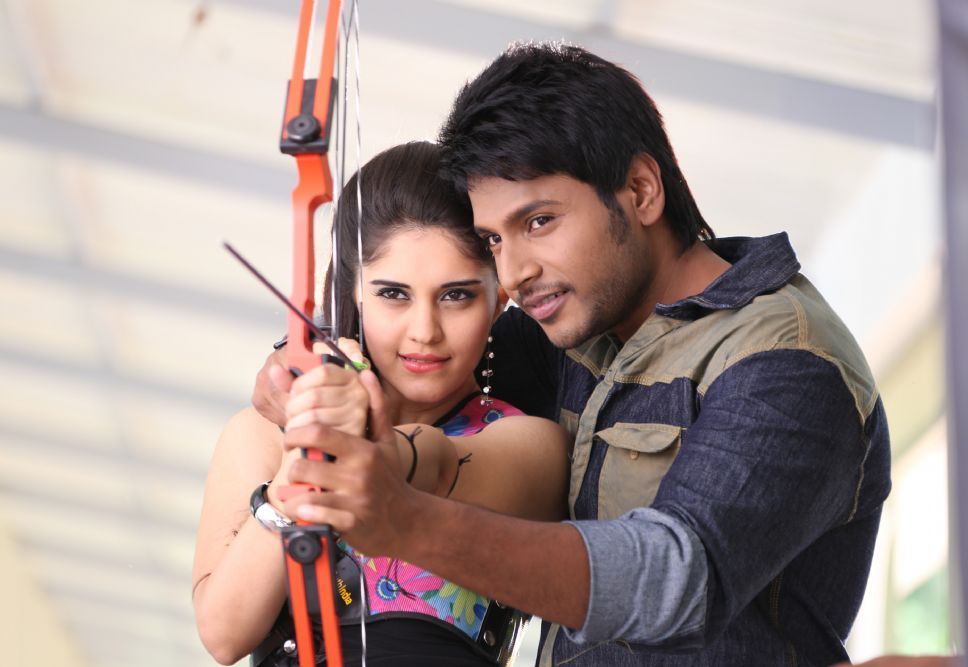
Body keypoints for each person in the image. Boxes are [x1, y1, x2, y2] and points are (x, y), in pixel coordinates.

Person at [256, 43, 892, 666]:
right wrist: (307, 366)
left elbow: (675, 581)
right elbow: (415, 359)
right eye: (493, 239)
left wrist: (407, 521)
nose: (515, 272)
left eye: (538, 222)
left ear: (641, 190)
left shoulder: (787, 362)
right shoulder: (570, 322)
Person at [192, 142, 569, 666]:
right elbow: (224, 634)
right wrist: (303, 456)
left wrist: (358, 440)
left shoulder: (527, 440)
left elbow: (433, 461)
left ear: (499, 296)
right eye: (394, 294)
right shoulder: (261, 435)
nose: (425, 331)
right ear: (353, 290)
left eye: (456, 295)